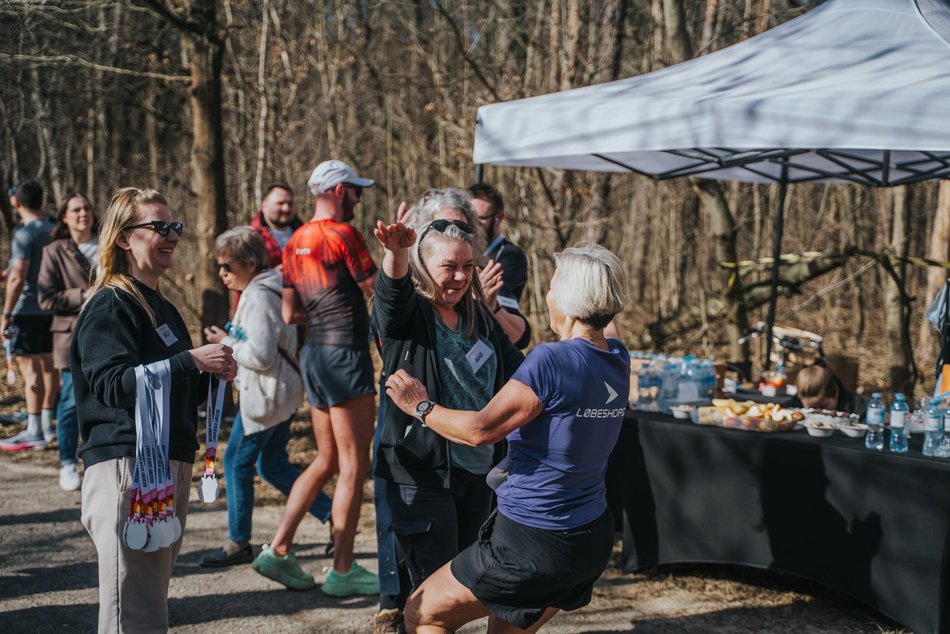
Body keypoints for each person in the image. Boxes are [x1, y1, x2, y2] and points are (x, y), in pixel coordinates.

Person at [384, 243, 629, 633]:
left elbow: (480, 430)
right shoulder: (617, 357)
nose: (547, 295)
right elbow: (606, 323)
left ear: (566, 298)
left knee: (422, 611)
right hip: (588, 539)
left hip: (530, 541)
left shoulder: (551, 360)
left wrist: (421, 406)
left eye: (552, 286)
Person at [71, 187, 235, 633]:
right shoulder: (111, 302)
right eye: (159, 227)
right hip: (128, 463)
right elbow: (111, 385)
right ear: (124, 238)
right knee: (134, 610)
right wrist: (190, 361)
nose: (172, 235)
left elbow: (177, 389)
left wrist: (212, 375)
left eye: (175, 226)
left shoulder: (161, 307)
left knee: (148, 602)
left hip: (165, 464)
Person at [371, 188, 528, 632]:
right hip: (423, 475)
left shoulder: (478, 317)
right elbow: (390, 297)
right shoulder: (411, 317)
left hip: (478, 473)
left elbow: (521, 371)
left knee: (462, 592)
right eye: (448, 267)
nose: (459, 276)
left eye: (467, 266)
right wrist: (398, 255)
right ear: (425, 267)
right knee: (431, 600)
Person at [252, 159, 380, 596]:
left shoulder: (297, 240)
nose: (360, 198)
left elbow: (290, 311)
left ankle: (278, 548)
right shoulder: (343, 235)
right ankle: (342, 569)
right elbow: (380, 291)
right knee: (354, 464)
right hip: (344, 353)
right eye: (356, 190)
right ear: (339, 190)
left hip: (313, 354)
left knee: (326, 460)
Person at [199, 227, 332, 568]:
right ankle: (334, 516)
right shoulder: (268, 287)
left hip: (266, 398)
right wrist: (229, 336)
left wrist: (225, 344)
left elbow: (260, 356)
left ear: (250, 262)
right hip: (280, 394)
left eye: (228, 266)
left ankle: (237, 542)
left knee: (235, 463)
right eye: (219, 266)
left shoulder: (259, 295)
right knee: (272, 466)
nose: (222, 273)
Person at [37, 191, 99, 490]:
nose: (82, 214)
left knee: (107, 398)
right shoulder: (54, 251)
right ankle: (67, 462)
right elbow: (46, 298)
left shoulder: (108, 244)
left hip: (107, 333)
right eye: (75, 209)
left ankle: (97, 460)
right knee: (71, 401)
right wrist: (83, 296)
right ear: (64, 216)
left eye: (86, 208)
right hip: (70, 335)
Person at [1, 180, 58, 451]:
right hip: (54, 308)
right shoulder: (56, 228)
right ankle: (46, 427)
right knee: (49, 366)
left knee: (30, 369)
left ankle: (34, 430)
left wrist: (6, 313)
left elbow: (18, 278)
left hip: (27, 309)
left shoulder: (24, 234)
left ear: (16, 202)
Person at [467, 184, 532, 349]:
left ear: (499, 217)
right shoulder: (465, 251)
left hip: (497, 343)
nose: (473, 225)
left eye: (480, 219)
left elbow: (489, 296)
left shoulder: (510, 255)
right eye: (470, 218)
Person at [249, 181, 302, 269]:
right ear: (264, 206)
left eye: (290, 204)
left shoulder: (304, 234)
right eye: (280, 203)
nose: (286, 208)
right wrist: (272, 275)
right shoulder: (252, 238)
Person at [795, 363, 869, 419]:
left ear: (836, 393)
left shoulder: (862, 410)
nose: (819, 411)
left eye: (824, 406)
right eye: (812, 407)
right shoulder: (794, 406)